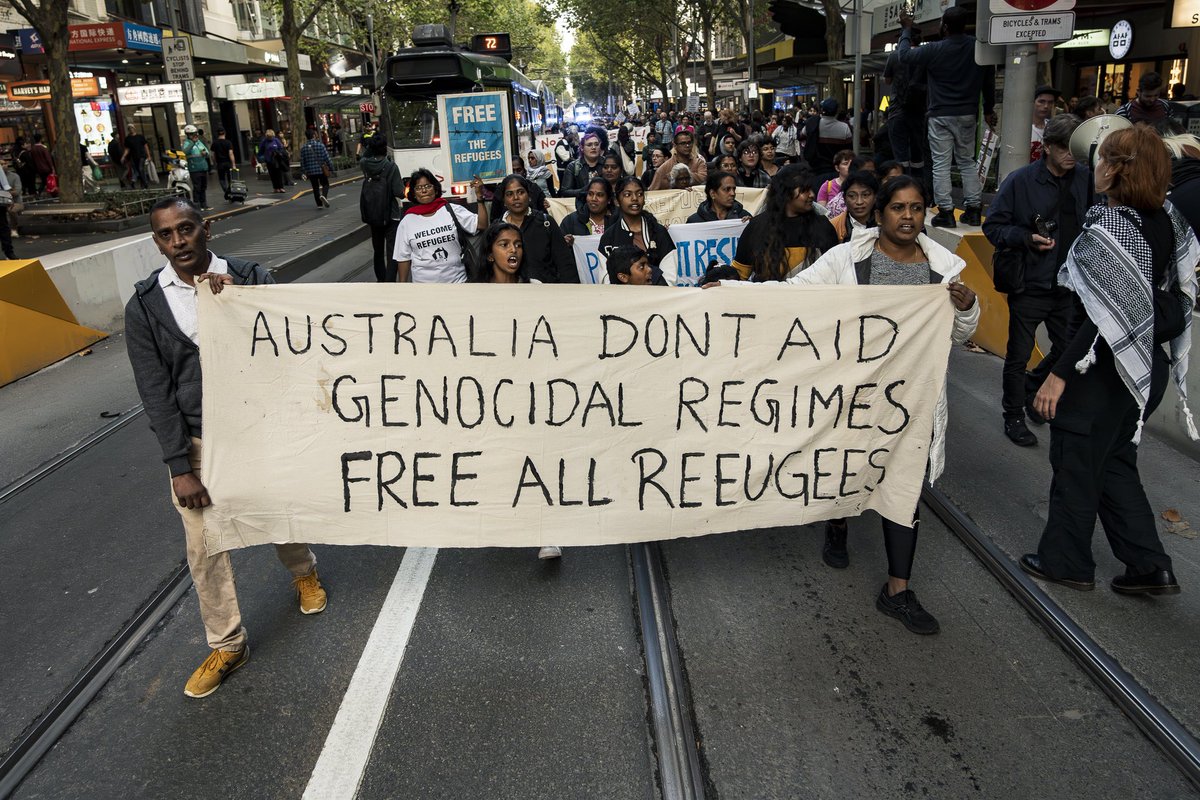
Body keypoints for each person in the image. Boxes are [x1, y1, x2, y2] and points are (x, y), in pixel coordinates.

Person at [716, 175, 980, 634]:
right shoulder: (848, 258)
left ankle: (898, 590)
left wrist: (967, 308)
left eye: (917, 208)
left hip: (909, 402)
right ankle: (837, 522)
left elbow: (960, 336)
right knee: (845, 466)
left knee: (903, 492)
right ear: (879, 215)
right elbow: (797, 294)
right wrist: (736, 292)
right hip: (852, 396)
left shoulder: (944, 269)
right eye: (898, 208)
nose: (908, 217)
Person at [124, 196, 328, 698]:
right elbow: (156, 392)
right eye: (167, 235)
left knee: (277, 511)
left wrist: (245, 302)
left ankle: (304, 573)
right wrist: (179, 466)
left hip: (256, 430)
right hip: (196, 441)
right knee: (203, 547)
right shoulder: (146, 306)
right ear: (157, 242)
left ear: (206, 229)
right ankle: (228, 643)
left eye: (186, 229)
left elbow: (297, 338)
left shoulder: (251, 277)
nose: (178, 242)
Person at [1022, 125, 1198, 596]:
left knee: (1077, 464)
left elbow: (1103, 319)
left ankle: (1066, 561)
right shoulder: (1166, 217)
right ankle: (1149, 565)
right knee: (1116, 464)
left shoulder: (1111, 226)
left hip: (1101, 370)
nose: (1093, 166)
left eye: (1101, 159)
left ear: (1118, 169)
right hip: (1145, 367)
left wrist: (1057, 375)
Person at [983, 114, 1088, 448]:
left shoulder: (1087, 179)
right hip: (1030, 282)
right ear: (1047, 147)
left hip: (1072, 285)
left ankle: (1034, 387)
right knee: (1019, 353)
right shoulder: (1021, 181)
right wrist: (1026, 237)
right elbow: (993, 227)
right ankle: (1013, 415)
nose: (1071, 155)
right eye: (1064, 148)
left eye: (1076, 148)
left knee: (1070, 348)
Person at [898, 6, 997, 228]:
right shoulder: (977, 48)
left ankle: (946, 211)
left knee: (941, 164)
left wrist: (906, 29)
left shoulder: (935, 49)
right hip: (968, 114)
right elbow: (988, 82)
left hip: (940, 114)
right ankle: (973, 209)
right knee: (966, 161)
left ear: (944, 26)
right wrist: (989, 109)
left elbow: (904, 56)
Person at [730, 164, 839, 281]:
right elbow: (739, 275)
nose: (812, 195)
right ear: (786, 193)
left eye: (811, 189)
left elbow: (836, 272)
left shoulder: (822, 226)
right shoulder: (757, 227)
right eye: (804, 190)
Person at [394, 169, 487, 283]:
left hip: (457, 283)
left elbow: (482, 224)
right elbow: (403, 258)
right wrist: (402, 287)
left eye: (428, 186)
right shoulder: (407, 222)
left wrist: (480, 197)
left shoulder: (451, 209)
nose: (424, 190)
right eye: (418, 188)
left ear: (435, 188)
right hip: (424, 288)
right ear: (413, 193)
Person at [490, 174, 576, 284]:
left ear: (529, 196)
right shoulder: (496, 229)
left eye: (520, 192)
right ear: (504, 200)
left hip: (545, 293)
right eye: (509, 194)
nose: (516, 198)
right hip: (509, 293)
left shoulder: (546, 223)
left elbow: (565, 263)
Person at [599, 176, 676, 284]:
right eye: (627, 194)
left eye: (639, 194)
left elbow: (670, 275)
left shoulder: (659, 232)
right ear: (617, 201)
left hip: (657, 296)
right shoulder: (609, 237)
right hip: (621, 298)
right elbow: (605, 279)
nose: (634, 198)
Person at [883, 28, 928, 184]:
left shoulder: (895, 56)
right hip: (919, 111)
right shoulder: (925, 55)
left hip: (897, 110)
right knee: (918, 154)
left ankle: (902, 185)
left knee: (900, 154)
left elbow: (887, 80)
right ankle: (919, 187)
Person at [358, 133, 405, 283]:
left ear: (371, 148)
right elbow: (399, 192)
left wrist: (371, 146)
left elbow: (364, 155)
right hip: (390, 215)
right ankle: (390, 281)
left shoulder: (365, 164)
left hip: (373, 214)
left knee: (378, 250)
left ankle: (381, 279)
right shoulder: (391, 167)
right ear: (385, 148)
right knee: (392, 251)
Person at [803, 98, 853, 182]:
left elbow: (802, 135)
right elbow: (848, 151)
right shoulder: (844, 128)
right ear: (837, 111)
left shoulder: (813, 124)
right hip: (837, 171)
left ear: (822, 110)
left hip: (816, 170)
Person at [560, 129, 607, 211]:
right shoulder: (572, 166)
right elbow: (565, 191)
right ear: (582, 148)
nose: (593, 147)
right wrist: (585, 190)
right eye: (589, 145)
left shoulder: (607, 164)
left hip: (605, 208)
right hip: (581, 209)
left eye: (596, 144)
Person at [561, 176, 614, 244]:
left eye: (600, 195)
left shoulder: (618, 221)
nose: (594, 199)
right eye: (590, 194)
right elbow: (557, 248)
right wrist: (565, 243)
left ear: (609, 199)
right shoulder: (571, 220)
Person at [829, 171, 879, 243]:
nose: (859, 202)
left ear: (875, 197)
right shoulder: (833, 227)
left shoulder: (885, 223)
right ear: (844, 198)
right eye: (852, 196)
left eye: (865, 195)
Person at [300, 127, 334, 209]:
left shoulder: (303, 148)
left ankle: (319, 205)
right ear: (314, 135)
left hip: (311, 171)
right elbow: (327, 158)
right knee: (325, 184)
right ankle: (324, 196)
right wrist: (331, 168)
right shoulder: (320, 145)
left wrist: (303, 172)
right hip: (321, 169)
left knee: (315, 187)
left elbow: (302, 161)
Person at [181, 125, 212, 209]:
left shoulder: (199, 142)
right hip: (194, 168)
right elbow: (185, 152)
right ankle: (197, 205)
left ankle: (204, 205)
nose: (194, 135)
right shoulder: (187, 143)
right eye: (192, 134)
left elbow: (207, 152)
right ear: (188, 134)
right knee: (197, 187)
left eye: (195, 134)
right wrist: (193, 143)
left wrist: (205, 153)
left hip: (203, 167)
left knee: (203, 187)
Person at [817, 149, 855, 214]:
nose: (849, 166)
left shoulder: (860, 185)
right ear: (837, 168)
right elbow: (821, 213)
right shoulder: (827, 186)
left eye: (852, 164)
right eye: (845, 163)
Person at [1030, 85, 1060, 163]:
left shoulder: (1053, 128)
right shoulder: (1022, 128)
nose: (1046, 106)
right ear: (1033, 102)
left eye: (1050, 102)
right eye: (1041, 101)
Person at [122, 125, 151, 190]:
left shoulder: (140, 137)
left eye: (132, 128)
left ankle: (145, 184)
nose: (131, 129)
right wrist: (124, 156)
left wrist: (149, 156)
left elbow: (146, 146)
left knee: (140, 169)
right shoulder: (128, 139)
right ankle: (143, 184)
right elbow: (127, 149)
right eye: (129, 128)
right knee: (139, 170)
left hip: (141, 155)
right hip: (133, 157)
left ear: (134, 128)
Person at [211, 128, 235, 201]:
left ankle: (226, 191)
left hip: (220, 163)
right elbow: (231, 154)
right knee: (230, 179)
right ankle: (230, 192)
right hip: (228, 163)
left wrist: (215, 163)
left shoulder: (214, 143)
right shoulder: (228, 142)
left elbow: (212, 155)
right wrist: (233, 164)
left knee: (222, 179)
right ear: (224, 133)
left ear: (217, 134)